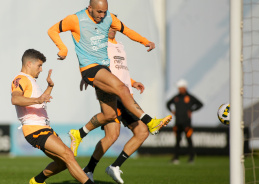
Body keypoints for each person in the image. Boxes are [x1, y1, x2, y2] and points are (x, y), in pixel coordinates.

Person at [48, 0, 171, 143]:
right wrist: (63, 49)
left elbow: (127, 30)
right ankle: (150, 122)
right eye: (99, 12)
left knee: (109, 114)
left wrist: (144, 41)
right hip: (90, 69)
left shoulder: (109, 18)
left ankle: (79, 133)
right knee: (122, 88)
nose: (102, 15)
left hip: (103, 69)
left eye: (104, 11)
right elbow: (52, 30)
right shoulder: (75, 19)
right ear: (90, 8)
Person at [69, 26, 152, 183]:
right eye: (109, 25)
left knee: (139, 132)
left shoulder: (119, 45)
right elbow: (90, 63)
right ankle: (82, 140)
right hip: (111, 92)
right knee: (116, 133)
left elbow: (120, 71)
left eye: (114, 26)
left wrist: (132, 82)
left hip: (125, 93)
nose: (112, 28)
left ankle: (98, 168)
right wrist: (85, 76)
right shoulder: (101, 45)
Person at [11, 49, 95, 184]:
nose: (41, 69)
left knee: (62, 162)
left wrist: (50, 87)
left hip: (43, 128)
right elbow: (15, 99)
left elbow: (38, 100)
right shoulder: (20, 79)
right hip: (34, 129)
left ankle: (37, 181)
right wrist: (38, 100)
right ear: (29, 64)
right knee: (68, 155)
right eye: (39, 65)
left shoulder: (30, 80)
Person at [166, 79, 203, 164]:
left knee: (189, 140)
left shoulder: (190, 97)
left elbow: (200, 104)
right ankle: (176, 158)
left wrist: (192, 110)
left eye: (180, 87)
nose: (179, 89)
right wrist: (172, 111)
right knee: (177, 140)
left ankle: (191, 158)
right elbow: (168, 103)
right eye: (178, 88)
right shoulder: (176, 97)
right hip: (177, 122)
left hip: (187, 123)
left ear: (184, 88)